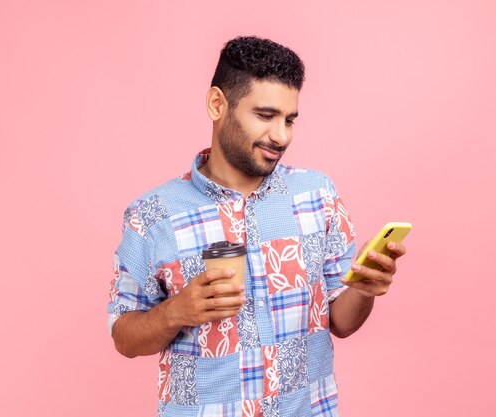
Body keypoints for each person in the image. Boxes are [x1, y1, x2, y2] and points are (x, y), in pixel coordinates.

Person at [108, 36, 407, 417]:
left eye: (289, 120)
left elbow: (341, 322)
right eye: (265, 116)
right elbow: (124, 337)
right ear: (218, 104)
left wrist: (365, 290)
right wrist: (175, 312)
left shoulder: (318, 195)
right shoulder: (152, 215)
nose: (281, 136)